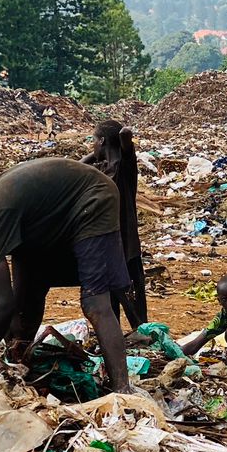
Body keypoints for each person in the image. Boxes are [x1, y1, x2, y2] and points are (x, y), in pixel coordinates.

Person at [0, 158, 133, 393]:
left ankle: (122, 389)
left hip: (92, 200)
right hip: (46, 224)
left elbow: (2, 306)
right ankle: (22, 365)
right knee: (24, 308)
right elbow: (13, 306)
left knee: (94, 303)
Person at [80, 120, 147, 326]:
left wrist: (118, 141)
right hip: (107, 245)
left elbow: (126, 133)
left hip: (126, 245)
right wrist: (96, 153)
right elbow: (76, 167)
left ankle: (144, 335)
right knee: (110, 302)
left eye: (93, 140)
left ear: (101, 140)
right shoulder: (100, 168)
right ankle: (117, 337)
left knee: (134, 303)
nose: (92, 145)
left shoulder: (124, 165)